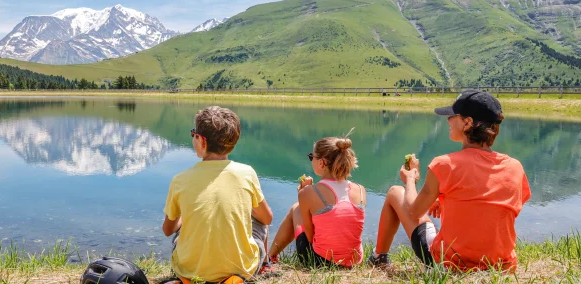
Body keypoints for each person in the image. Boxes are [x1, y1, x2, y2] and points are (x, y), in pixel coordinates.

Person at [369, 90, 531, 271]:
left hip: (450, 265)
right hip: (502, 266)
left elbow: (414, 211)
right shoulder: (515, 167)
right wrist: (445, 199)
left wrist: (410, 180)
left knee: (394, 192)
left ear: (468, 123)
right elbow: (487, 205)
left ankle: (379, 257)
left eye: (453, 116)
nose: (448, 120)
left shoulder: (444, 164)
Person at [161, 106, 274, 283]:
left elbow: (168, 230)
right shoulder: (247, 173)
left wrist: (185, 216)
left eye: (194, 135)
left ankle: (187, 278)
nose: (193, 139)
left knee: (181, 230)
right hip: (240, 269)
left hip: (189, 271)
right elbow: (267, 218)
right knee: (260, 219)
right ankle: (257, 268)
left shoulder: (180, 180)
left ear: (202, 141)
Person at [268, 129, 366, 268]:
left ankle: (269, 258)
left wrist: (304, 195)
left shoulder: (308, 193)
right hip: (354, 261)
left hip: (320, 263)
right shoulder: (360, 189)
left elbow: (310, 236)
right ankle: (270, 257)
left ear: (322, 163)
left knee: (296, 208)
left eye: (311, 157)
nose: (311, 160)